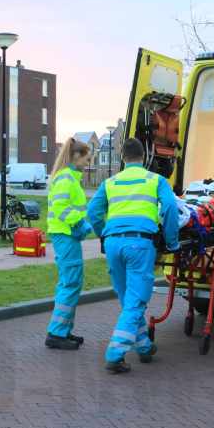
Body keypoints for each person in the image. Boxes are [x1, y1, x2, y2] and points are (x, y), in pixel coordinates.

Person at [88, 138, 179, 373]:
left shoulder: (110, 182)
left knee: (128, 298)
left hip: (112, 244)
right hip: (139, 243)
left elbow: (93, 211)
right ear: (144, 157)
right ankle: (115, 354)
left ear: (122, 158)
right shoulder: (156, 180)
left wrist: (103, 235)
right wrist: (171, 241)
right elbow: (169, 208)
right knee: (136, 301)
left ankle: (143, 347)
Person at [45, 137, 93, 351]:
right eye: (87, 158)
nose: (88, 163)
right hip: (66, 235)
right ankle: (56, 333)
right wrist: (80, 221)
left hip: (67, 236)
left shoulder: (68, 177)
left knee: (71, 282)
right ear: (76, 156)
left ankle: (63, 330)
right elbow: (62, 207)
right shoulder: (66, 178)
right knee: (70, 283)